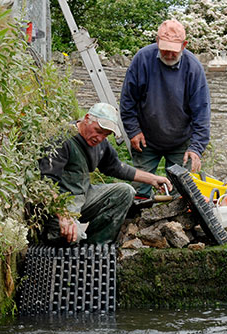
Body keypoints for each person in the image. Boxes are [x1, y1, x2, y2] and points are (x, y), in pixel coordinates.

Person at [38, 102, 172, 246]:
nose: (100, 138)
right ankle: (69, 237)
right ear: (87, 118)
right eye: (98, 130)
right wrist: (63, 215)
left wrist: (152, 179)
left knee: (125, 191)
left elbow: (116, 167)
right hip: (59, 204)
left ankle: (96, 245)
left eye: (106, 135)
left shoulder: (100, 143)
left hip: (83, 197)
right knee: (71, 236)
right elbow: (45, 184)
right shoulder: (63, 138)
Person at [120, 19, 211, 199]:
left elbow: (202, 113)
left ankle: (175, 226)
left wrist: (196, 148)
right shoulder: (142, 60)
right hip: (146, 139)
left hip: (181, 141)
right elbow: (127, 100)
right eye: (164, 48)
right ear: (157, 41)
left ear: (184, 45)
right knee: (139, 192)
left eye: (174, 50)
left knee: (183, 194)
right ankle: (134, 224)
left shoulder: (193, 68)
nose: (169, 54)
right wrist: (133, 130)